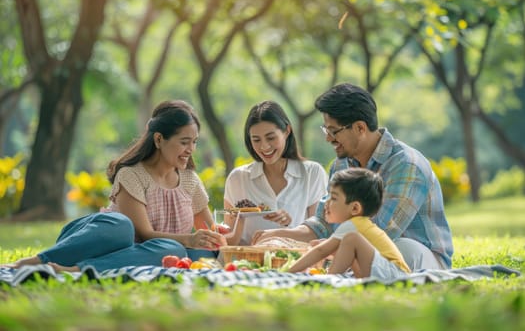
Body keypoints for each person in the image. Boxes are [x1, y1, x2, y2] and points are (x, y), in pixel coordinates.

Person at [5, 100, 226, 272]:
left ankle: (73, 270)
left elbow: (211, 234)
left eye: (194, 142)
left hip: (145, 253)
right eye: (184, 142)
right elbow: (146, 234)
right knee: (123, 227)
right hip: (98, 239)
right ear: (159, 140)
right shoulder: (132, 175)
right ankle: (36, 260)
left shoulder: (189, 180)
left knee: (193, 253)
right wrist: (189, 238)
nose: (191, 149)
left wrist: (237, 231)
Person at [252, 83, 454, 270]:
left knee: (403, 247)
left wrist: (328, 247)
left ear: (360, 128)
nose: (328, 138)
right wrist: (279, 235)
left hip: (420, 258)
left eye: (333, 131)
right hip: (365, 254)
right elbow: (325, 222)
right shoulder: (342, 164)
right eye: (326, 130)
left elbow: (381, 232)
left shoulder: (407, 165)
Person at [223, 100, 328, 245]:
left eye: (271, 138)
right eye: (256, 140)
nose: (264, 146)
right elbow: (228, 239)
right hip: (246, 264)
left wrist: (288, 226)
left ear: (287, 131)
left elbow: (319, 234)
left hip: (294, 264)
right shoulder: (238, 179)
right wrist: (239, 219)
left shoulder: (312, 173)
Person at [288, 168, 411, 279]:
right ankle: (330, 277)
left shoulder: (352, 225)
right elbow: (325, 250)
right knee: (337, 244)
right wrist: (329, 247)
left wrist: (288, 273)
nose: (326, 202)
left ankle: (328, 281)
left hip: (396, 274)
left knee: (351, 239)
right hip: (386, 273)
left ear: (355, 209)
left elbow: (320, 251)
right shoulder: (360, 224)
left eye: (334, 198)